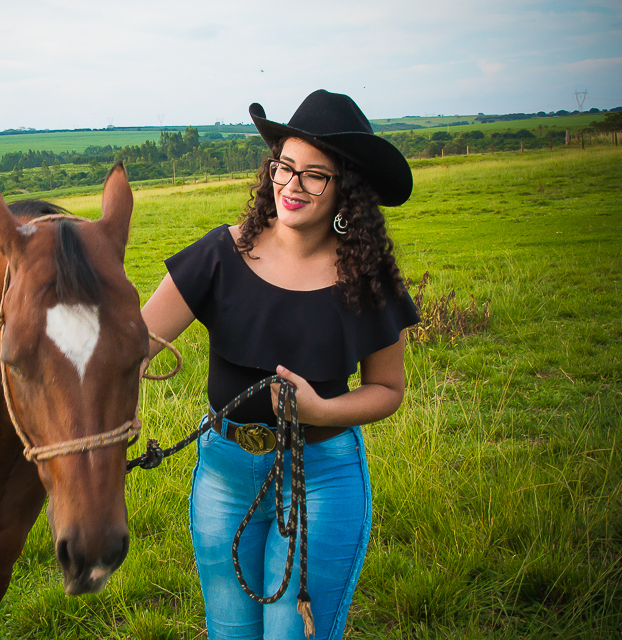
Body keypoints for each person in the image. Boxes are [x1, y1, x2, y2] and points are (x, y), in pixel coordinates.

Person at [140, 90, 420, 640]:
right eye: (284, 167)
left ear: (348, 191)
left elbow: (388, 389)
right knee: (229, 632)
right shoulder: (221, 254)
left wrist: (322, 408)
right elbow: (134, 344)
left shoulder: (368, 278)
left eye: (315, 175)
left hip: (321, 475)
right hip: (224, 472)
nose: (292, 186)